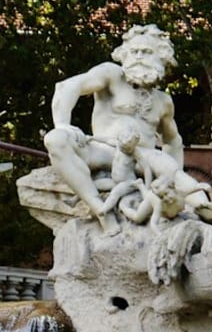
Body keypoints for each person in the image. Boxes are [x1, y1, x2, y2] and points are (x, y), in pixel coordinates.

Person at [44, 26, 189, 226]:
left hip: (143, 159)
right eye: (134, 51)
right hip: (103, 151)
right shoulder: (112, 75)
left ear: (161, 57)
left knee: (174, 172)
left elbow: (173, 140)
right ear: (124, 54)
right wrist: (62, 124)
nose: (139, 56)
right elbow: (68, 87)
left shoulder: (163, 101)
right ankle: (100, 210)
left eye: (146, 52)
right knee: (55, 139)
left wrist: (170, 181)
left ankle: (206, 209)